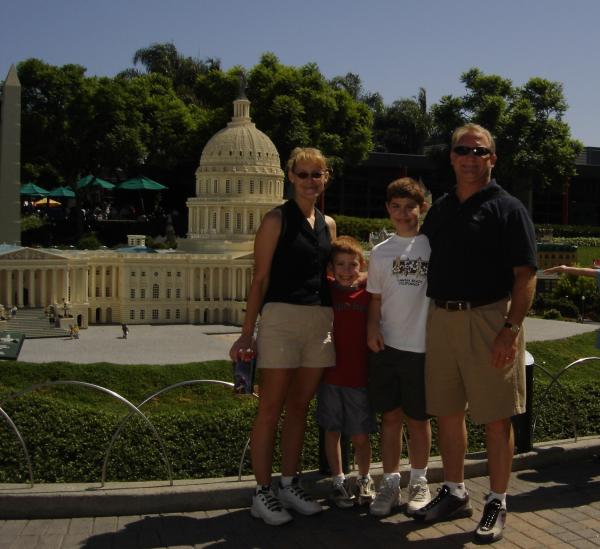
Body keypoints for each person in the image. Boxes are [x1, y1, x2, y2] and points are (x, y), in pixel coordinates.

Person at [413, 123, 537, 544]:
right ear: (451, 157)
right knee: (448, 412)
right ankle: (454, 491)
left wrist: (510, 330)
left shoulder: (508, 208)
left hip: (489, 320)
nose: (470, 157)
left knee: (496, 417)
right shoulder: (443, 208)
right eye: (462, 150)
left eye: (479, 151)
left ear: (492, 159)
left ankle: (498, 500)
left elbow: (525, 275)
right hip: (442, 319)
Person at [229, 147, 336, 526]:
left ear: (325, 178)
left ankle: (289, 483)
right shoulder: (276, 220)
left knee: (299, 409)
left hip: (319, 321)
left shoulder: (329, 224)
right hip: (280, 319)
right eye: (303, 174)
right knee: (270, 408)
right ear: (290, 177)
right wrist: (247, 334)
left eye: (317, 175)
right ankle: (262, 491)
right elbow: (260, 278)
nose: (310, 181)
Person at [366, 178, 433, 517]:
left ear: (422, 208)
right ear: (388, 210)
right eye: (396, 208)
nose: (403, 214)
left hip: (422, 347)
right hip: (388, 347)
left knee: (418, 420)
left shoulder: (434, 247)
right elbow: (375, 299)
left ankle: (420, 480)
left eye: (410, 207)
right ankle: (390, 482)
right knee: (390, 417)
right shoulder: (380, 252)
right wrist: (371, 327)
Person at [316, 236, 377, 508]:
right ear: (331, 267)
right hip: (330, 375)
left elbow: (380, 273)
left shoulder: (367, 292)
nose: (346, 270)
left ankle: (364, 477)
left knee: (360, 435)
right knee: (332, 430)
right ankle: (339, 480)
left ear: (360, 265)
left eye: (352, 264)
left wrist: (363, 276)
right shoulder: (326, 289)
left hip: (358, 377)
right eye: (340, 264)